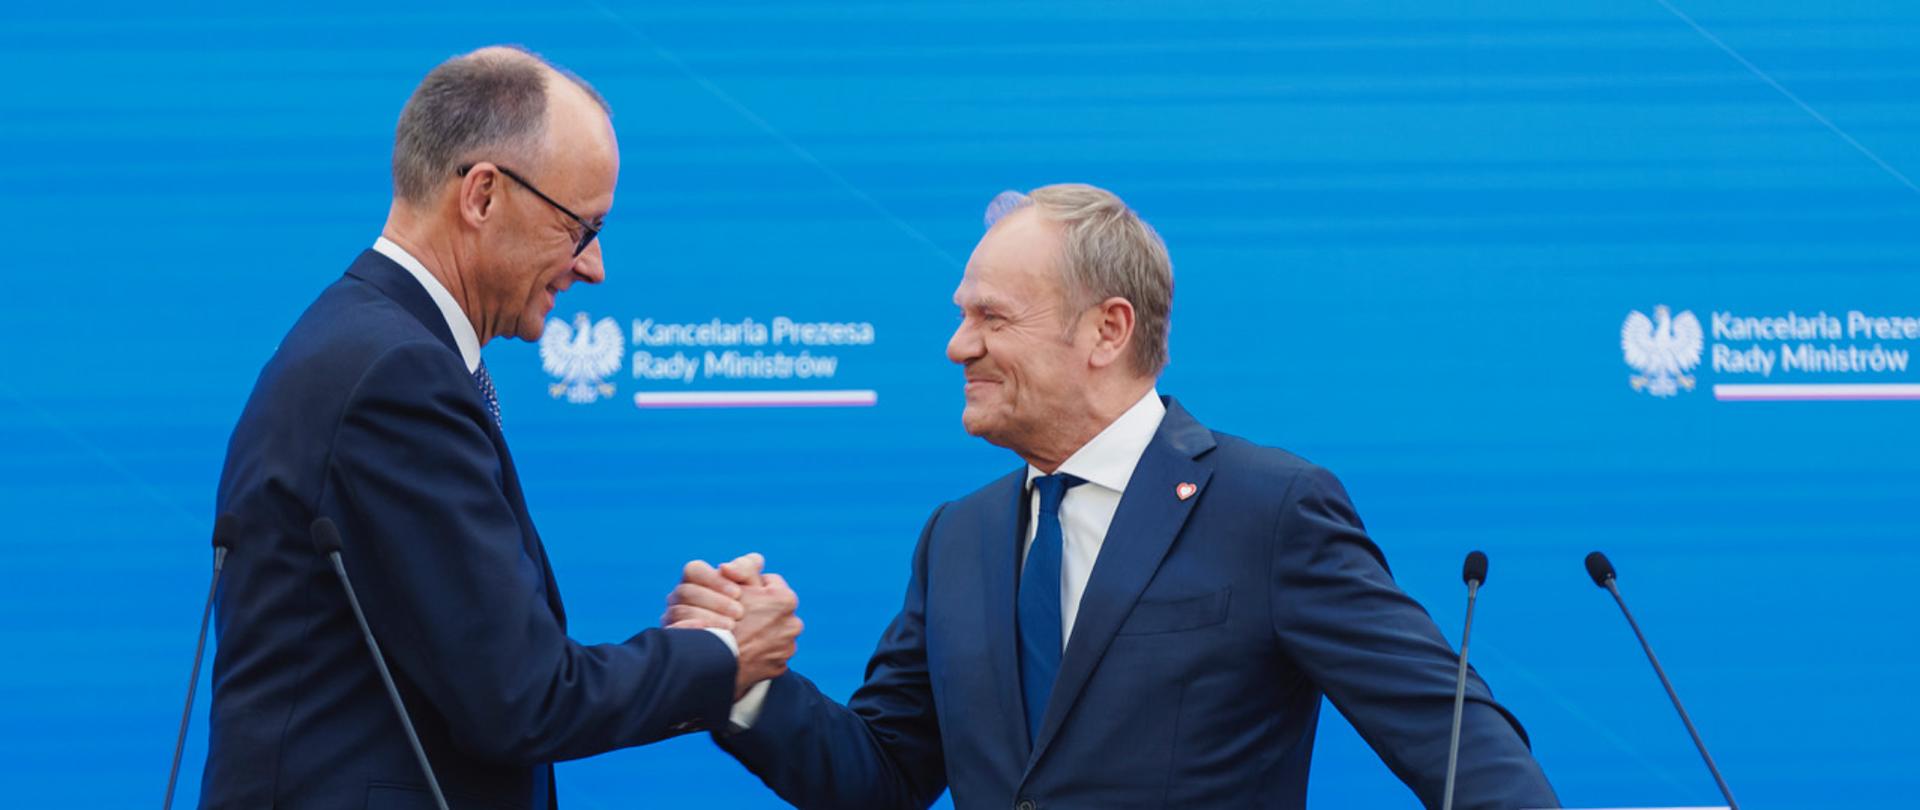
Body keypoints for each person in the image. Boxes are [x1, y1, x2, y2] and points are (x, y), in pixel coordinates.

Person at [669, 184, 1557, 809]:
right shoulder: (958, 539)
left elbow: (1457, 745)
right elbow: (883, 776)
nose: (956, 346)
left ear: (1108, 329)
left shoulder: (1269, 509)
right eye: (961, 314)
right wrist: (745, 679)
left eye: (991, 318)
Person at [201, 46, 799, 809]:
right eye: (581, 227)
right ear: (482, 195)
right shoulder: (395, 376)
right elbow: (521, 697)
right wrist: (723, 654)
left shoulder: (366, 343)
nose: (594, 268)